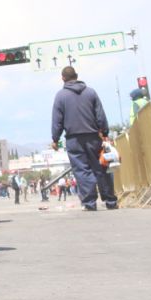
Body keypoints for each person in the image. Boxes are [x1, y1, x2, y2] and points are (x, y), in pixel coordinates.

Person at [51, 66, 117, 211]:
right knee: (101, 168)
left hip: (73, 139)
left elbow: (57, 120)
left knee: (82, 170)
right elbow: (100, 114)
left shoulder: (61, 96)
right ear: (77, 76)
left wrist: (55, 139)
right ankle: (110, 201)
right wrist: (104, 132)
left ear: (63, 78)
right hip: (93, 137)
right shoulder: (91, 92)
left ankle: (89, 203)